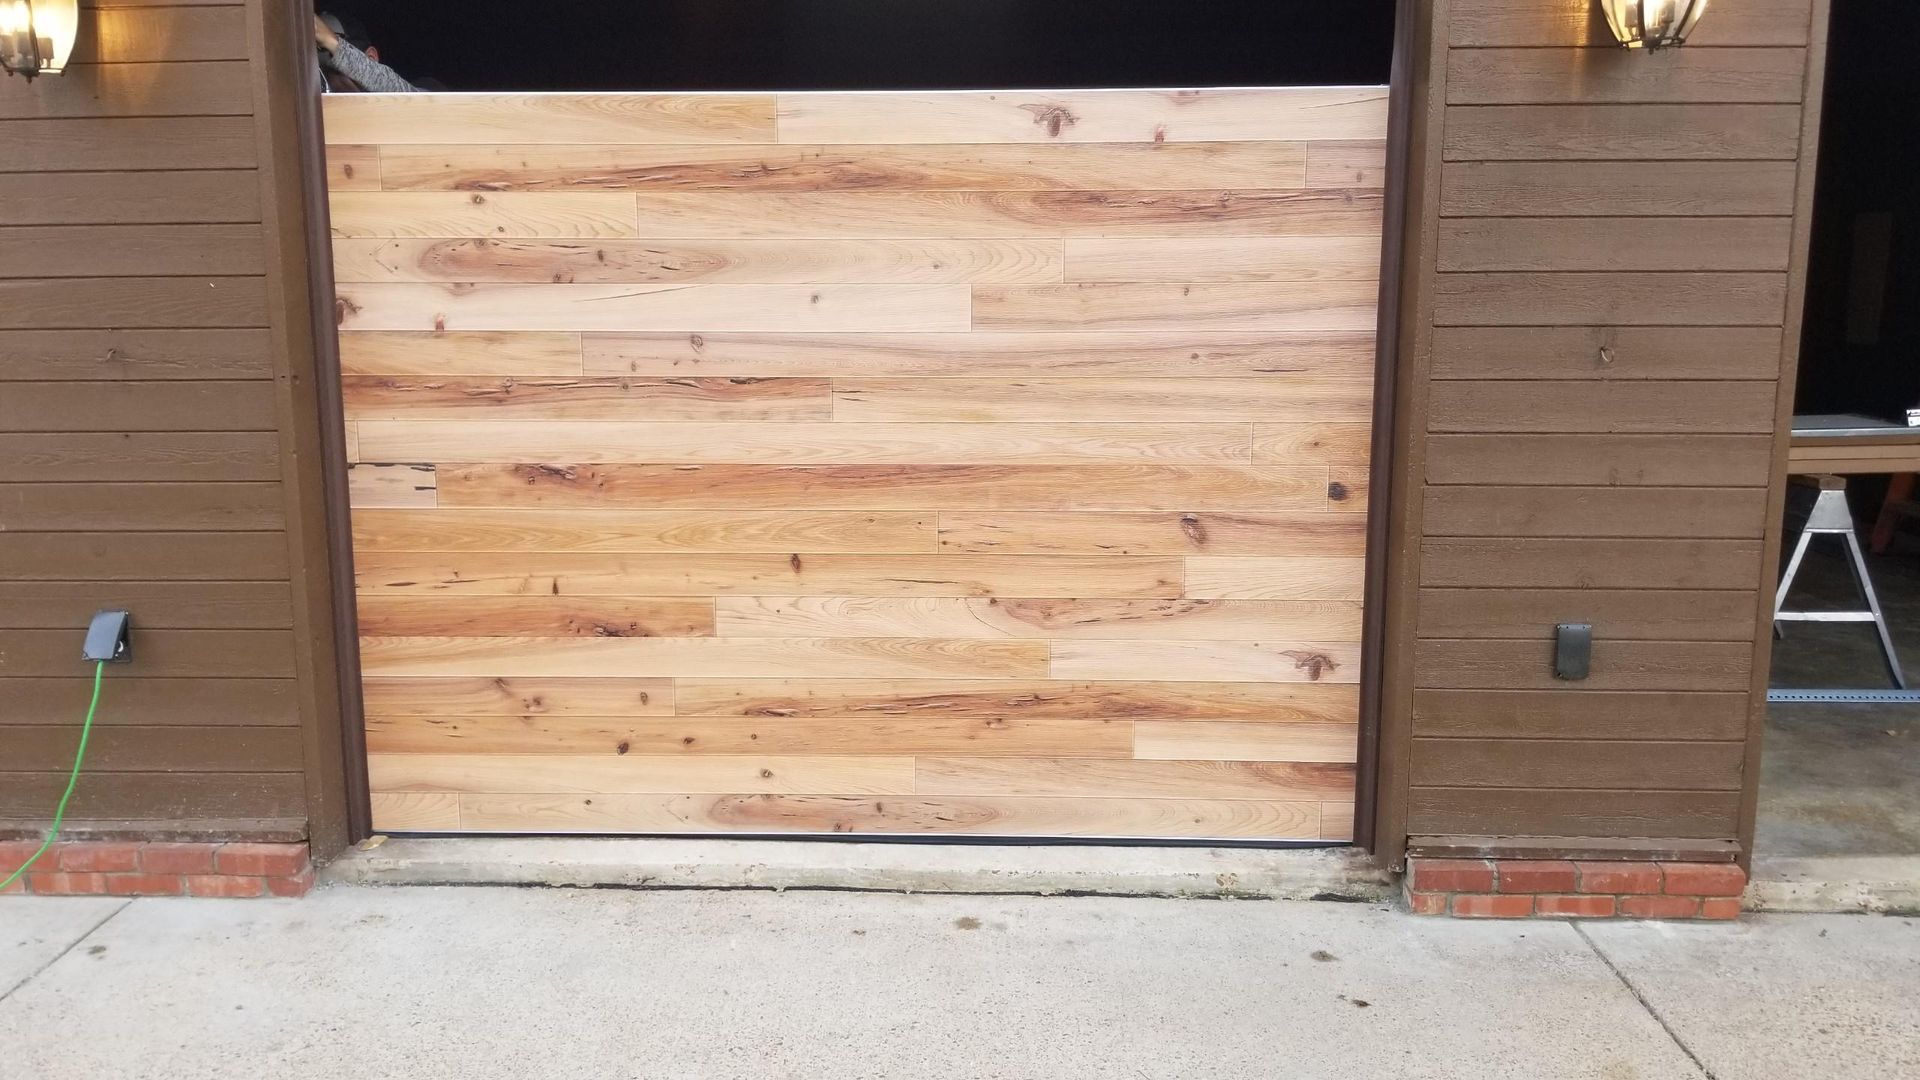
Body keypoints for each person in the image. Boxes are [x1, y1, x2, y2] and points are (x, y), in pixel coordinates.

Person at [314, 12, 419, 93]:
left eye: (335, 71)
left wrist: (332, 43)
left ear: (371, 57)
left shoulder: (428, 87)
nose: (332, 83)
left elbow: (410, 97)